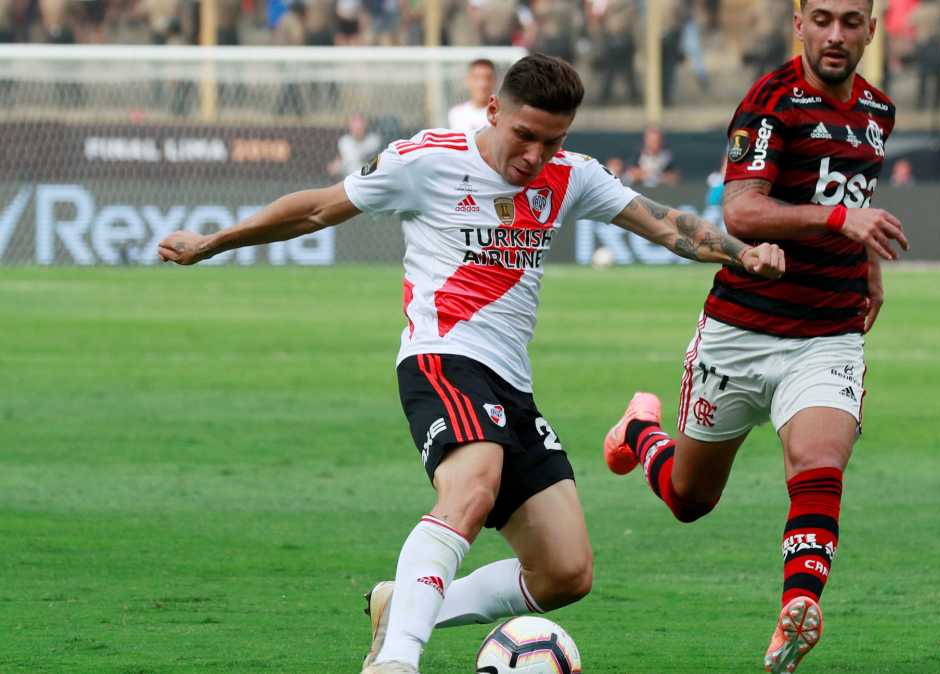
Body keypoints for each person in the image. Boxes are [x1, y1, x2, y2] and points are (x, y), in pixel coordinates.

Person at [156, 54, 785, 674]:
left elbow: (666, 225)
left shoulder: (571, 175)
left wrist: (740, 253)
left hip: (511, 383)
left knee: (566, 571)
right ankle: (397, 661)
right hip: (441, 358)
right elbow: (319, 207)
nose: (535, 156)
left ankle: (403, 604)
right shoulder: (426, 162)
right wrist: (214, 242)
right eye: (525, 136)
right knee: (472, 486)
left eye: (553, 140)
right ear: (493, 111)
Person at [602, 1, 908, 672]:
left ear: (871, 30)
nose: (835, 34)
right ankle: (637, 434)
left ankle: (796, 611)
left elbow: (855, 205)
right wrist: (837, 224)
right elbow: (741, 209)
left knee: (819, 462)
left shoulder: (878, 112)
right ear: (799, 23)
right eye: (822, 18)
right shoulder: (772, 101)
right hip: (740, 330)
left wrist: (869, 267)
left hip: (829, 329)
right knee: (690, 500)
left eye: (850, 21)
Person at [448, 58, 496, 132]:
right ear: (468, 80)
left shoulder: (501, 115)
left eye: (487, 78)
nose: (482, 84)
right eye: (476, 78)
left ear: (495, 81)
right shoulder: (456, 114)